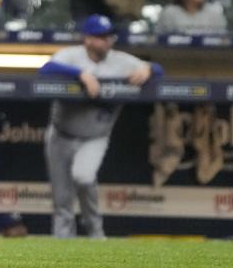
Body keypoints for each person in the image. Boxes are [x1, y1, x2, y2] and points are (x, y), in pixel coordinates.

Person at [39, 14, 161, 239]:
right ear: (87, 39)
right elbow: (45, 69)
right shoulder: (71, 56)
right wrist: (80, 74)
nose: (107, 41)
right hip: (61, 135)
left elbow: (158, 70)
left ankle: (95, 229)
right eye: (101, 37)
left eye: (109, 36)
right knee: (62, 199)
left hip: (95, 136)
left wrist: (150, 69)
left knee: (84, 177)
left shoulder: (121, 60)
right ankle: (62, 248)